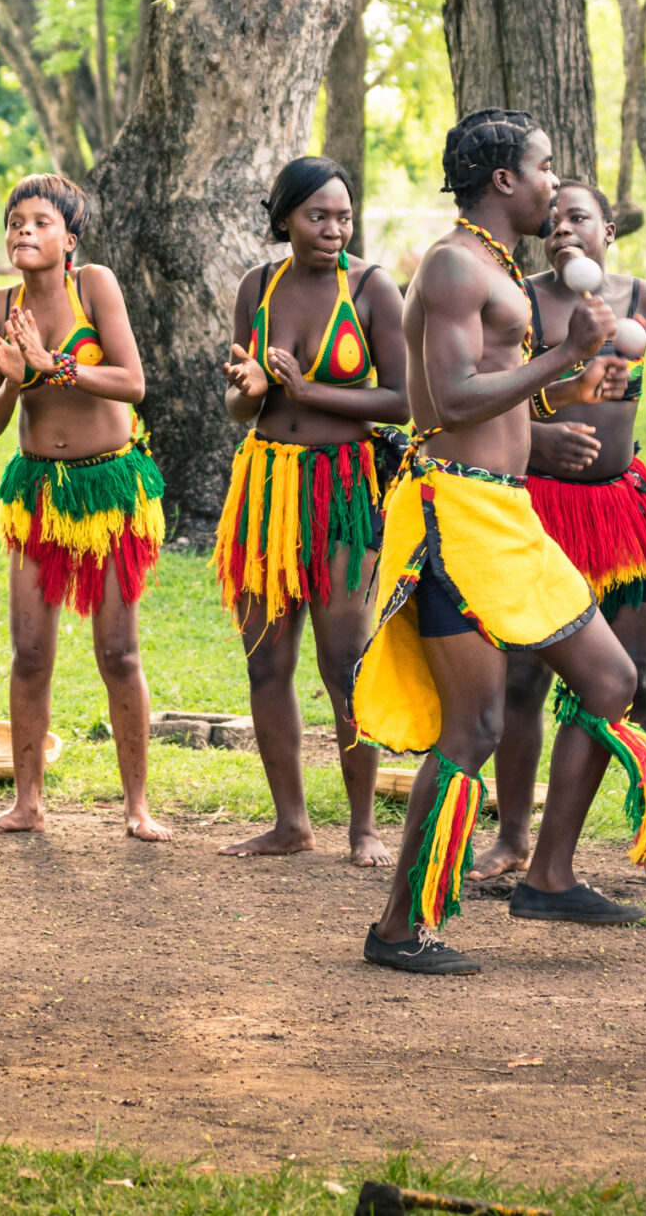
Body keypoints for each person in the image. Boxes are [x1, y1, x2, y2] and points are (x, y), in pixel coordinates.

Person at [351, 109, 646, 976]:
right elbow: (453, 399)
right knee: (476, 727)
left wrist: (570, 388)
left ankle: (550, 874)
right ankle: (399, 928)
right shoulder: (457, 263)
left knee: (612, 679)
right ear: (505, 180)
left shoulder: (496, 265)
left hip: (505, 513)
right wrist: (558, 359)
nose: (553, 183)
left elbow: (495, 400)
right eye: (545, 168)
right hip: (451, 515)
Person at [470, 179, 646, 888]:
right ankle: (513, 836)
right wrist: (539, 439)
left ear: (610, 229)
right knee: (520, 680)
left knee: (634, 682)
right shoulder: (520, 299)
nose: (563, 229)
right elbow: (493, 397)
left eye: (579, 217)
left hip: (619, 514)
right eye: (552, 220)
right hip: (540, 509)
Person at [213, 156, 408, 864]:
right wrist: (250, 385)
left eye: (344, 216)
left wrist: (306, 391)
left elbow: (404, 401)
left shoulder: (373, 289)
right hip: (267, 486)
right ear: (285, 219)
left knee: (345, 659)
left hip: (345, 487)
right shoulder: (257, 287)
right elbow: (240, 405)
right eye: (317, 216)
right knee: (267, 663)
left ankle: (364, 828)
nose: (333, 229)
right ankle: (290, 823)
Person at [0, 174, 170, 841]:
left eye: (41, 222)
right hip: (36, 492)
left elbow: (132, 382)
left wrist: (54, 367)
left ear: (69, 239)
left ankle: (137, 806)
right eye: (16, 221)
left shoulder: (95, 286)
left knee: (117, 650)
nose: (25, 231)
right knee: (29, 650)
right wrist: (16, 383)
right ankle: (27, 803)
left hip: (109, 485)